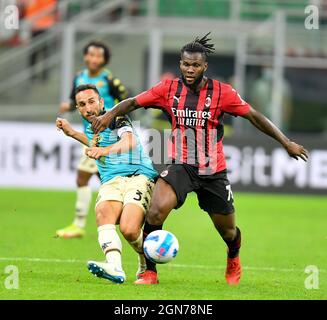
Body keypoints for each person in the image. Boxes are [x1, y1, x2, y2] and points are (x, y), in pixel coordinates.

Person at [90, 33, 309, 285]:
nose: (190, 69)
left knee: (227, 230)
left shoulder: (222, 92)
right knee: (154, 212)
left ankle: (233, 255)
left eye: (195, 65)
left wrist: (286, 142)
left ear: (204, 66)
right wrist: (108, 117)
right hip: (181, 165)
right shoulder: (167, 89)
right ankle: (150, 272)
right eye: (185, 64)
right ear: (180, 64)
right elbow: (132, 102)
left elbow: (255, 116)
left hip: (212, 170)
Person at [56, 84, 157, 283]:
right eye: (82, 104)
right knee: (103, 213)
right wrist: (72, 133)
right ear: (78, 108)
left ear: (101, 102)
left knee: (129, 229)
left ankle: (145, 260)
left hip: (138, 175)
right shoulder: (90, 125)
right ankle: (115, 268)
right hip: (111, 179)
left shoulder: (115, 118)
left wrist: (103, 151)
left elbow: (130, 142)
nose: (88, 108)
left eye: (91, 102)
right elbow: (96, 143)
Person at [56, 41, 129, 239]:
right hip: (92, 136)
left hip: (108, 136)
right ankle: (82, 223)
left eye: (98, 56)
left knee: (102, 178)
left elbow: (126, 101)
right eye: (91, 55)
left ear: (104, 59)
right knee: (88, 177)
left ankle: (125, 219)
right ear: (85, 57)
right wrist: (68, 106)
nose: (94, 59)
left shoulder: (110, 80)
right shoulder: (79, 77)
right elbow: (76, 103)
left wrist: (113, 119)